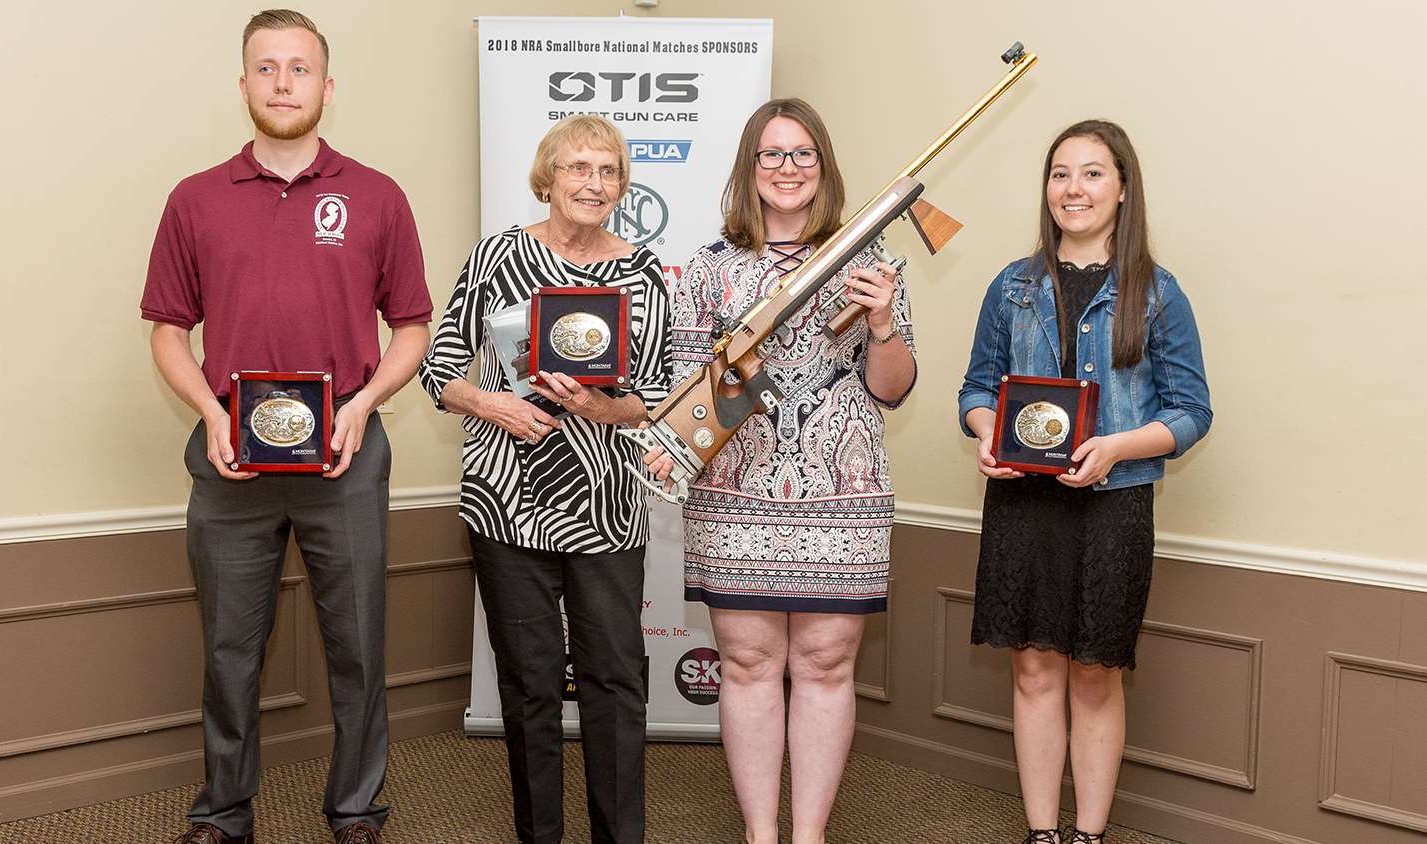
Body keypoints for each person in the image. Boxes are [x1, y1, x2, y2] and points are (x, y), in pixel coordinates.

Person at [140, 10, 432, 844]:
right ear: (243, 86)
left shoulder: (376, 196)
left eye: (298, 69)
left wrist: (363, 404)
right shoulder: (194, 199)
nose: (282, 83)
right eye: (265, 69)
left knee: (358, 647)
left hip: (345, 457)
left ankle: (357, 811)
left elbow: (411, 325)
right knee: (231, 651)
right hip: (232, 462)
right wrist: (208, 413)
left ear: (326, 88)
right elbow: (167, 330)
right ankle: (224, 814)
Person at [644, 98, 916, 844]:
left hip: (843, 490)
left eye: (802, 155)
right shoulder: (708, 268)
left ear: (822, 167)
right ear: (749, 168)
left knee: (827, 663)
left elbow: (891, 388)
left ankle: (810, 836)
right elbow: (683, 390)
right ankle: (762, 834)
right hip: (735, 488)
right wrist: (737, 371)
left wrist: (885, 323)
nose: (787, 168)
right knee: (748, 660)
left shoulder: (869, 261)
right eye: (771, 154)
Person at [957, 119, 1212, 844]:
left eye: (1094, 173)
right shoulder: (1012, 286)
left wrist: (1119, 447)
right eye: (1061, 173)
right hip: (1022, 504)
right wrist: (985, 436)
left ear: (1124, 189)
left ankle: (1088, 835)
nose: (1075, 188)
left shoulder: (1157, 293)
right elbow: (976, 390)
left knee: (1096, 674)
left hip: (1114, 507)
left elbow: (1193, 413)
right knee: (1034, 673)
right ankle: (1042, 832)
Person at [419, 114, 672, 844]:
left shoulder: (646, 273)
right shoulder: (498, 256)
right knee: (529, 687)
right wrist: (489, 401)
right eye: (579, 168)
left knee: (616, 685)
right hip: (507, 507)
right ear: (548, 177)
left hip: (607, 512)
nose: (593, 184)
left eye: (608, 172)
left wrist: (603, 405)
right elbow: (439, 373)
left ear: (623, 186)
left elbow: (652, 396)